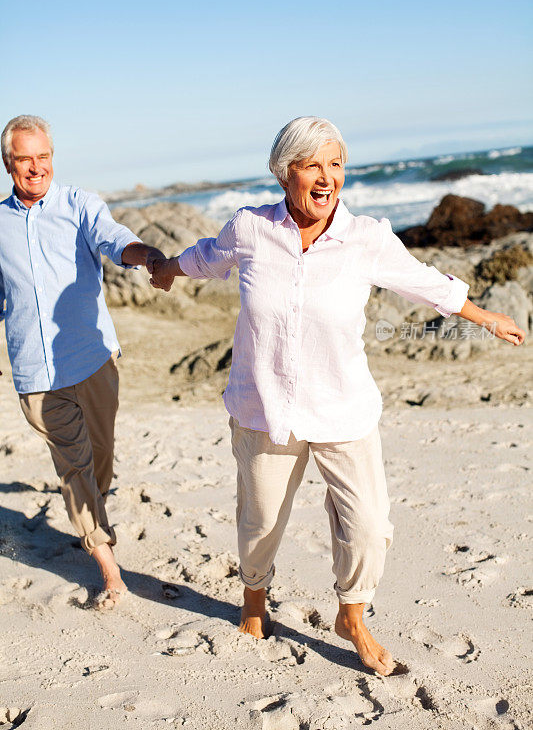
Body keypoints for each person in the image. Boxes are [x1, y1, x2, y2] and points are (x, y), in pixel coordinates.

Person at [149, 116, 525, 675]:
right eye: (312, 165)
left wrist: (484, 316)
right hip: (265, 407)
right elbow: (206, 256)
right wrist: (167, 269)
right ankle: (255, 602)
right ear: (285, 174)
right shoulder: (251, 229)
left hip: (344, 407)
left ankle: (352, 615)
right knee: (259, 525)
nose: (326, 178)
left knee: (369, 526)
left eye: (336, 164)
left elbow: (423, 280)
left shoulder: (366, 237)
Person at [0, 115, 168, 609]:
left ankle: (92, 514)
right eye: (24, 159)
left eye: (44, 157)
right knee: (74, 467)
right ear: (8, 164)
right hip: (37, 374)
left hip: (93, 361)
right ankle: (109, 569)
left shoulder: (79, 205)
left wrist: (147, 256)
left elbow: (116, 241)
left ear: (53, 156)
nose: (36, 168)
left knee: (100, 460)